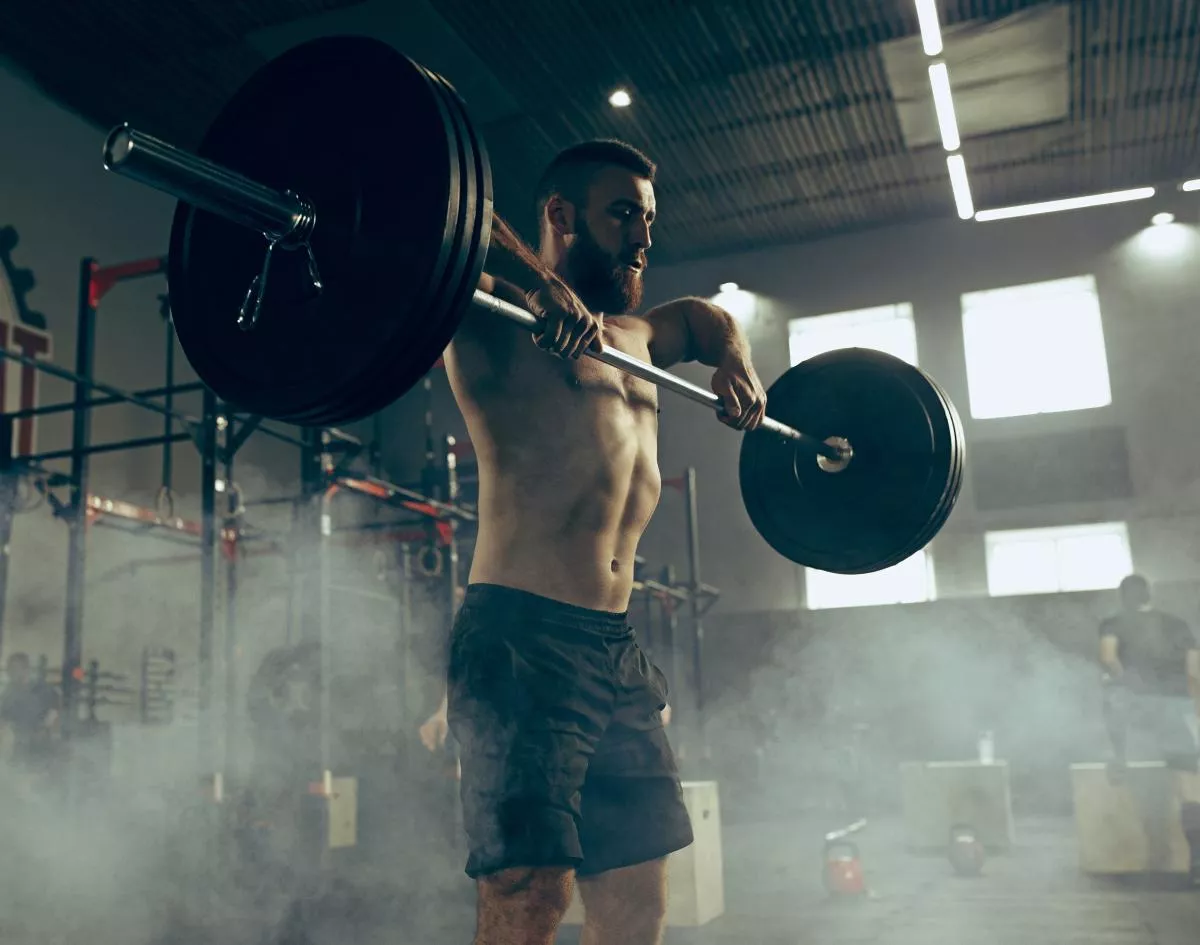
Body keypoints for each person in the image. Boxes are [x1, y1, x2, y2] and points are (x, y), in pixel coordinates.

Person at [421, 139, 766, 945]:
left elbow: (709, 321)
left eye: (649, 218)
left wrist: (737, 362)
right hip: (520, 640)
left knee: (637, 894)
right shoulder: (493, 315)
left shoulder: (641, 336)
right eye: (624, 216)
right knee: (528, 892)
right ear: (560, 217)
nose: (644, 236)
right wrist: (539, 286)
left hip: (612, 647)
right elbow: (427, 235)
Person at [1098, 574, 1200, 883]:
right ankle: (1198, 862)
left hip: (1136, 706)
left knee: (1111, 692)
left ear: (1123, 597)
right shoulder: (1177, 624)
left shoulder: (1113, 623)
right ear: (1148, 595)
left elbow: (1107, 658)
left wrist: (1127, 680)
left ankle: (1119, 757)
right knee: (1188, 787)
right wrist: (1194, 711)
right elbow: (1194, 673)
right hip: (1174, 706)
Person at [0, 653, 59, 772]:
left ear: (25, 669)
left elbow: (55, 707)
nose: (11, 673)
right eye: (9, 669)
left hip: (39, 740)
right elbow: (3, 717)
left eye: (14, 669)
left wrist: (45, 726)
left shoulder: (40, 687)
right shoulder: (9, 692)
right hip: (19, 741)